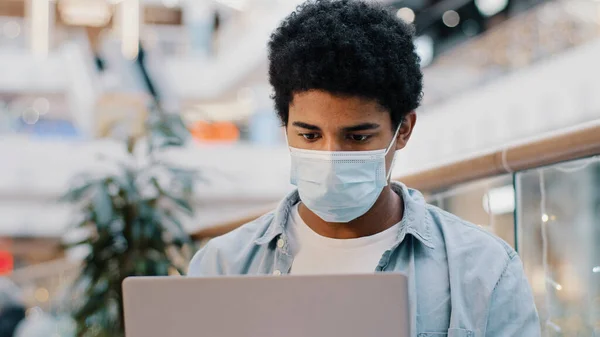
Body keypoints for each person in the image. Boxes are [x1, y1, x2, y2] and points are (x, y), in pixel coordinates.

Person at [188, 0, 541, 335]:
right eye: (310, 136)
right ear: (285, 125)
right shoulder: (221, 267)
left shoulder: (483, 270)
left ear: (402, 130)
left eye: (356, 138)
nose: (330, 156)